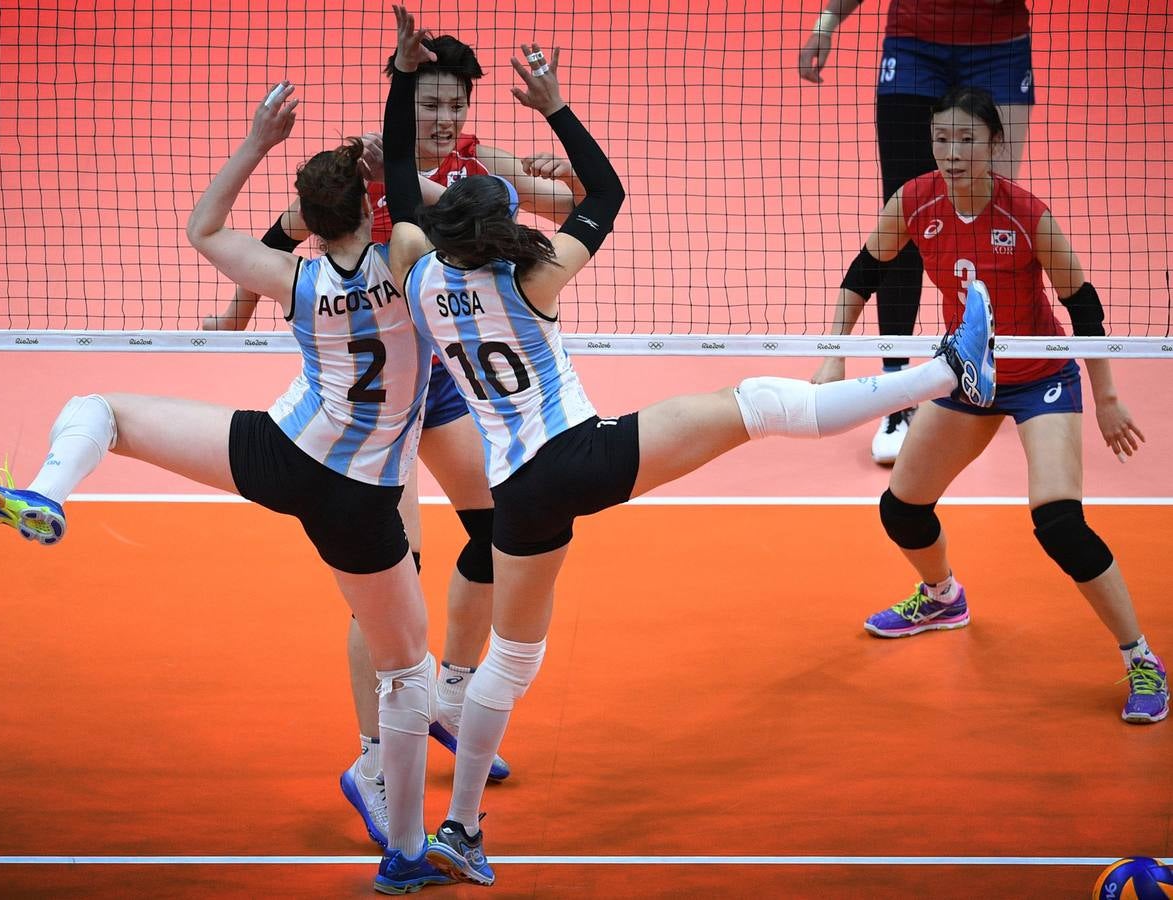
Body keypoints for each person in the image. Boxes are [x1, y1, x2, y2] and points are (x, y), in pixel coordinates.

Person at [380, 6, 1000, 885]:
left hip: (514, 487)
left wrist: (403, 83)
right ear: (503, 226)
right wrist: (555, 104)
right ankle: (944, 374)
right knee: (752, 405)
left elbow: (404, 186)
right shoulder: (535, 274)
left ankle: (460, 830)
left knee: (511, 662)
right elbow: (607, 192)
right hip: (579, 455)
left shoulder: (417, 269)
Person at [0, 88, 475, 893]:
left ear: (310, 221)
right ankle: (403, 855)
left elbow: (202, 229)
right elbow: (444, 218)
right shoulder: (409, 269)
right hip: (361, 497)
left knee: (103, 410)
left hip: (281, 452)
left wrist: (260, 140)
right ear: (369, 214)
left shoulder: (290, 281)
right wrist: (395, 163)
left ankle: (50, 492)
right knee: (405, 676)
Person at [201, 33, 583, 848]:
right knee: (391, 571)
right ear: (406, 103)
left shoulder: (488, 168)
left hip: (447, 386)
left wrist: (553, 160)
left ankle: (449, 690)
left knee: (495, 528)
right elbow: (274, 244)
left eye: (454, 104)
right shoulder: (367, 174)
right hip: (372, 406)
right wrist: (235, 317)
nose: (443, 117)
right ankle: (374, 756)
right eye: (429, 102)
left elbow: (577, 201)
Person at [811, 86, 1166, 725]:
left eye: (967, 140)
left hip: (1041, 379)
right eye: (942, 140)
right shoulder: (915, 202)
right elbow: (864, 272)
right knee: (902, 510)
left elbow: (1083, 306)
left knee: (1058, 521)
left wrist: (1107, 395)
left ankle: (1141, 657)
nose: (952, 153)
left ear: (995, 145)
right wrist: (835, 353)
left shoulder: (1026, 213)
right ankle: (944, 597)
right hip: (967, 375)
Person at [799, 0, 1035, 464]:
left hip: (1000, 47)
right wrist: (826, 23)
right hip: (913, 48)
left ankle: (982, 368)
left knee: (993, 216)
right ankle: (897, 394)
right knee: (906, 216)